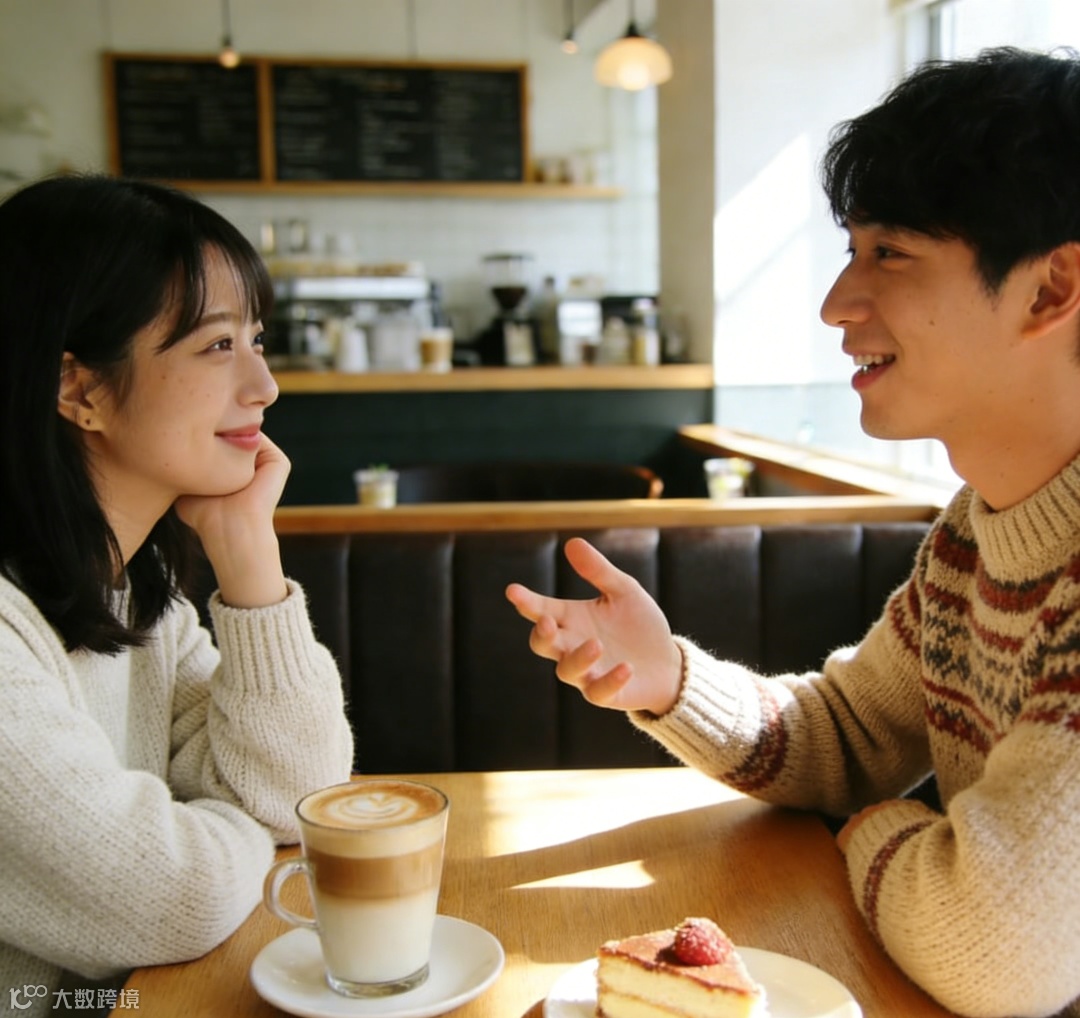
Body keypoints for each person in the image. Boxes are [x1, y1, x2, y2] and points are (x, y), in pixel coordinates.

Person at [507, 47, 1080, 1018]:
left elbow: (994, 948)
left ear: (1050, 289)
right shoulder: (974, 532)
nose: (834, 304)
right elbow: (847, 735)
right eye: (852, 250)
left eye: (889, 253)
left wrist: (868, 828)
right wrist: (669, 677)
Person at [0, 174, 354, 1013]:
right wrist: (241, 824)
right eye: (217, 345)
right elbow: (172, 899)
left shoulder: (133, 596)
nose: (264, 386)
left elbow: (301, 797)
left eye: (257, 340)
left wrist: (248, 552)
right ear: (78, 389)